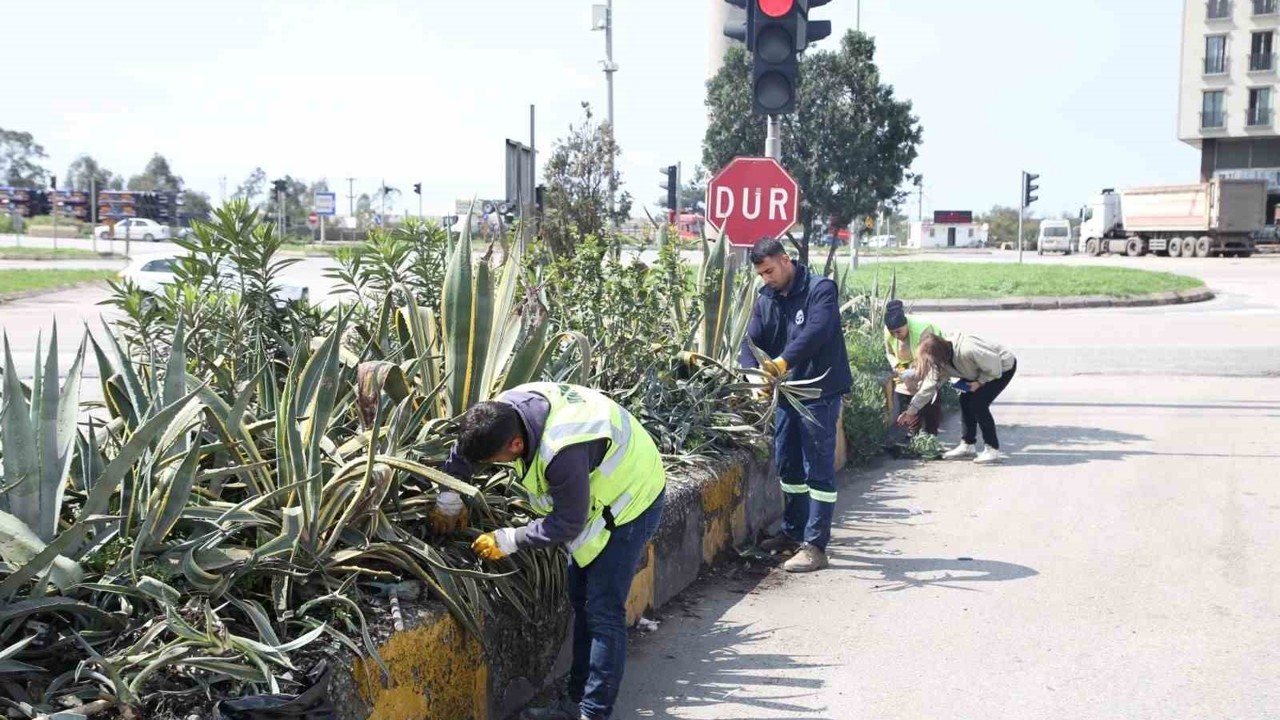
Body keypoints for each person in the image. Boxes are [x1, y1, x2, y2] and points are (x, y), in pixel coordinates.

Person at [437, 382, 666, 720]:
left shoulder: (562, 450)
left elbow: (568, 523)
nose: (492, 465)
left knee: (603, 611)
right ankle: (574, 703)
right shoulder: (500, 413)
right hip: (596, 499)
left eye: (494, 460)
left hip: (633, 499)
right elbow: (467, 445)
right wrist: (449, 495)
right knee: (582, 599)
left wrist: (508, 539)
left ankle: (593, 714)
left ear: (516, 444)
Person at [740, 237, 852, 573]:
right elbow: (750, 340)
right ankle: (793, 532)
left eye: (769, 271)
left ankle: (815, 546)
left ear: (785, 260)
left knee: (817, 468)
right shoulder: (767, 298)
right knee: (788, 466)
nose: (766, 279)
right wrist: (753, 376)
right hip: (786, 395)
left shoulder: (821, 290)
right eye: (761, 274)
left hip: (819, 394)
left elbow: (816, 332)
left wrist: (781, 363)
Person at [899, 331, 1018, 464]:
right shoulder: (938, 361)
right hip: (975, 371)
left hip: (1002, 368)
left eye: (929, 361)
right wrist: (911, 411)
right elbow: (928, 387)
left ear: (939, 356)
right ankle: (967, 445)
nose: (929, 364)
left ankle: (992, 449)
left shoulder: (968, 349)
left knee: (978, 404)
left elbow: (994, 367)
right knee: (965, 400)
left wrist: (980, 382)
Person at [883, 299, 944, 436]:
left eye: (898, 332)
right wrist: (897, 366)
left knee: (928, 393)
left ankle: (931, 434)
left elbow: (929, 363)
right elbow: (890, 353)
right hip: (908, 363)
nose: (896, 336)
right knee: (905, 394)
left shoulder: (923, 331)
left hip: (933, 357)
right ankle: (912, 432)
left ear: (906, 325)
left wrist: (913, 372)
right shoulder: (888, 331)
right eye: (893, 333)